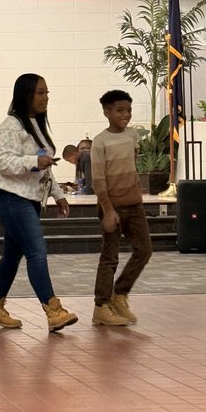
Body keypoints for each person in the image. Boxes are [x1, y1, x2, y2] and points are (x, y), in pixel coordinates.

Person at [0, 73, 78, 332]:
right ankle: (53, 309)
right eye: (40, 92)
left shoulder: (35, 124)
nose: (46, 97)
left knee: (12, 255)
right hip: (11, 198)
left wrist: (58, 194)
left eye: (47, 92)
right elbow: (2, 162)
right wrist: (33, 162)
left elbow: (45, 167)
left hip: (29, 198)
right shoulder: (10, 126)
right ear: (25, 95)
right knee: (36, 252)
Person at [91, 89, 152, 326]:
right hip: (112, 208)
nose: (125, 115)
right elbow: (98, 180)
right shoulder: (100, 142)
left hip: (134, 205)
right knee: (110, 257)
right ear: (106, 112)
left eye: (128, 110)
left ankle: (120, 294)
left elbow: (133, 164)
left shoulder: (132, 136)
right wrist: (108, 210)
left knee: (145, 250)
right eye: (119, 110)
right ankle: (101, 306)